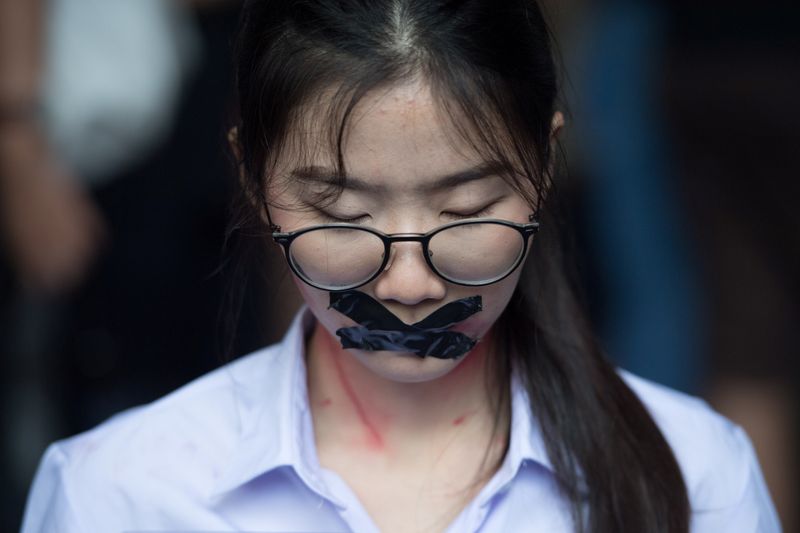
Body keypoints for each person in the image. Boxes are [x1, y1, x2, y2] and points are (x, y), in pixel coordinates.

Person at [20, 1, 780, 532]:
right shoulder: (119, 493)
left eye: (463, 212)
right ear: (252, 178)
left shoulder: (696, 475)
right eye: (345, 216)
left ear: (545, 166)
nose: (409, 285)